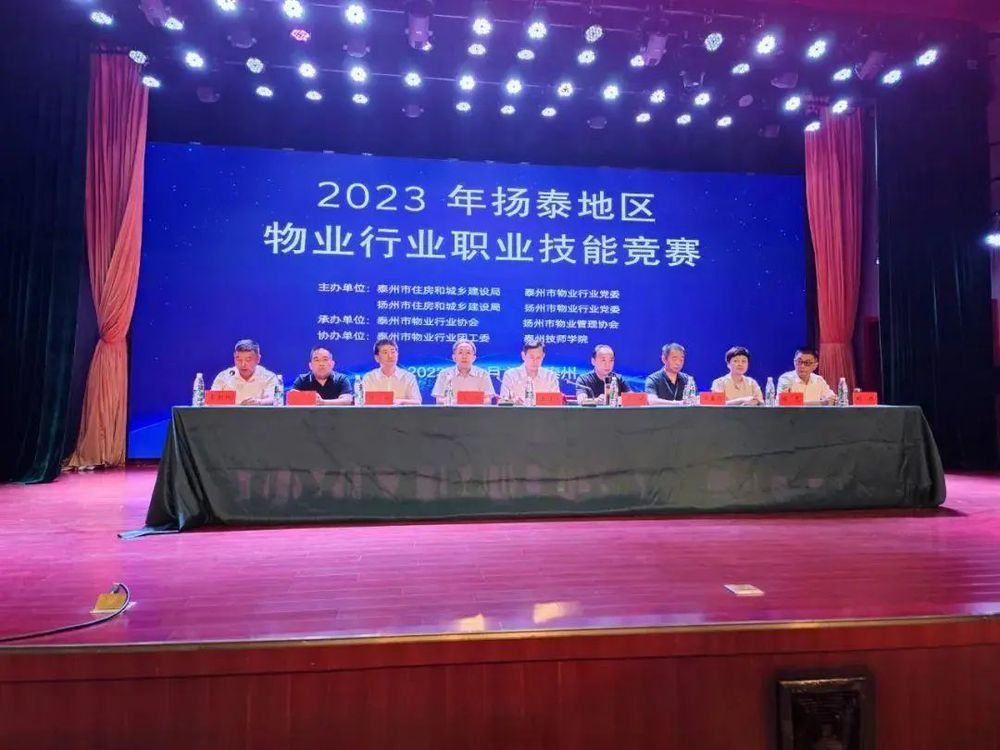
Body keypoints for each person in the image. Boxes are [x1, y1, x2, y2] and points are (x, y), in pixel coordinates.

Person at [211, 339, 278, 405]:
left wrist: (258, 402)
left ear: (258, 359)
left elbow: (275, 399)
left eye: (248, 360)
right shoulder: (223, 376)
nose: (243, 364)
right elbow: (211, 401)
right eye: (239, 359)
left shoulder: (269, 377)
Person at [431, 339, 497, 404]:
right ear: (454, 357)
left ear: (474, 358)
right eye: (460, 353)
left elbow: (488, 400)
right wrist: (460, 402)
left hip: (476, 411)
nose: (464, 356)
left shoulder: (483, 374)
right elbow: (439, 400)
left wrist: (462, 402)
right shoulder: (444, 374)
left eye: (468, 353)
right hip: (451, 411)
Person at [361, 338, 422, 405]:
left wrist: (401, 402)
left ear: (397, 354)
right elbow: (362, 402)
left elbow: (417, 402)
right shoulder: (369, 378)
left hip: (401, 411)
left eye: (393, 352)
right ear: (377, 358)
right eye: (385, 352)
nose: (390, 356)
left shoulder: (408, 377)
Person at [499, 339, 561, 404]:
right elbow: (502, 402)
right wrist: (513, 402)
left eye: (538, 358)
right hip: (518, 410)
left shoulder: (550, 376)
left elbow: (556, 403)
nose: (535, 361)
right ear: (523, 356)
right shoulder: (510, 375)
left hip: (544, 411)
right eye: (531, 357)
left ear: (543, 356)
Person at [289, 346, 353, 405]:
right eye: (316, 360)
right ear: (310, 365)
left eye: (325, 359)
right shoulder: (302, 380)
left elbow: (348, 400)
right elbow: (292, 398)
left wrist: (323, 402)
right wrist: (307, 398)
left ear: (332, 364)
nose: (321, 363)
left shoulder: (341, 379)